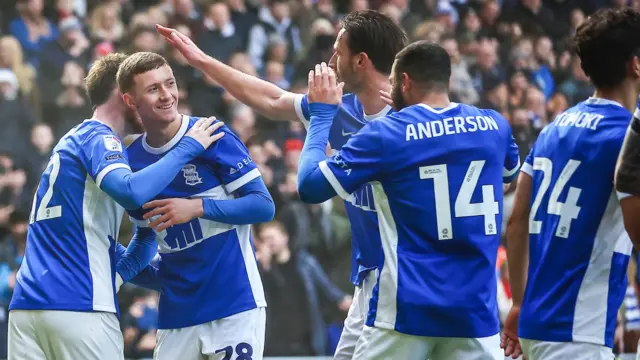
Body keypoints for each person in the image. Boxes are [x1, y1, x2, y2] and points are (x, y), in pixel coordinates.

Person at [156, 11, 408, 359]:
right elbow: (271, 99)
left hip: (403, 274)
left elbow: (310, 186)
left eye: (338, 51)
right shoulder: (339, 108)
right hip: (370, 277)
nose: (331, 61)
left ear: (361, 60)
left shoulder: (411, 118)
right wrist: (202, 61)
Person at [296, 41, 520, 359]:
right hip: (474, 314)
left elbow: (309, 186)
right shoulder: (494, 126)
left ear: (404, 82)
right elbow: (509, 179)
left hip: (406, 312)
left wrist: (321, 116)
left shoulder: (388, 134)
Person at [6, 53, 224, 360]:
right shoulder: (100, 138)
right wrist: (188, 147)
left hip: (28, 308)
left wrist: (117, 276)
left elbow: (141, 235)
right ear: (124, 96)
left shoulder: (72, 140)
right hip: (80, 306)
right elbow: (130, 192)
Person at [115, 51, 275, 360]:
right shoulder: (130, 161)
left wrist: (197, 207)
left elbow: (262, 206)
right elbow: (148, 235)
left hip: (234, 305)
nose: (166, 96)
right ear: (130, 101)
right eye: (153, 89)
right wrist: (116, 273)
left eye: (170, 84)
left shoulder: (212, 134)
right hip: (177, 317)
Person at [502, 7, 640, 360]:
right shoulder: (627, 138)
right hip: (579, 333)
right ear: (635, 65)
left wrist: (518, 303)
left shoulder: (553, 128)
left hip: (536, 326)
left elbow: (517, 222)